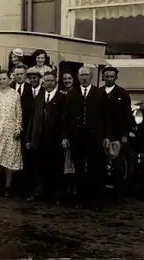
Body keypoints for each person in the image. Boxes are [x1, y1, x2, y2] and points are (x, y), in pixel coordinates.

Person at [61, 66, 110, 210]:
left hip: (95, 137)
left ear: (92, 76)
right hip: (77, 137)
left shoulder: (100, 93)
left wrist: (107, 136)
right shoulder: (72, 93)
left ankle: (95, 200)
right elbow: (65, 117)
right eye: (81, 75)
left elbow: (106, 117)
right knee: (79, 168)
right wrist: (65, 137)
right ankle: (80, 199)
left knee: (96, 168)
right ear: (77, 77)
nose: (83, 78)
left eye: (86, 75)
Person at [25, 72, 67, 204]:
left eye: (51, 81)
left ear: (56, 82)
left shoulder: (62, 97)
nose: (48, 83)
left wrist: (64, 138)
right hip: (38, 138)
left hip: (54, 139)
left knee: (55, 168)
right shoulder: (39, 96)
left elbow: (65, 120)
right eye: (46, 81)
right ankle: (39, 193)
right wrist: (28, 138)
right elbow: (33, 118)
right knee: (38, 168)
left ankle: (55, 196)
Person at [100, 65, 131, 204]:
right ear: (103, 77)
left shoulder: (122, 94)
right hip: (101, 133)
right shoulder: (98, 92)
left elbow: (127, 116)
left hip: (116, 134)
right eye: (106, 76)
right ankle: (102, 192)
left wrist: (124, 135)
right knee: (101, 163)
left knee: (117, 165)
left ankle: (118, 195)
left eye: (112, 76)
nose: (109, 79)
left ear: (116, 78)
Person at [10, 64, 34, 193]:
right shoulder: (9, 88)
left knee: (26, 156)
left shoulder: (31, 89)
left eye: (21, 74)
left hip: (27, 127)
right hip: (11, 128)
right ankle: (12, 185)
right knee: (12, 156)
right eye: (16, 74)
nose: (19, 76)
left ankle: (25, 187)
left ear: (25, 75)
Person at [60, 70, 77, 198]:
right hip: (62, 130)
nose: (67, 81)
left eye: (69, 78)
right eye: (64, 79)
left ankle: (73, 188)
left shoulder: (76, 93)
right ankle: (65, 187)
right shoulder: (61, 94)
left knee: (73, 161)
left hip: (73, 131)